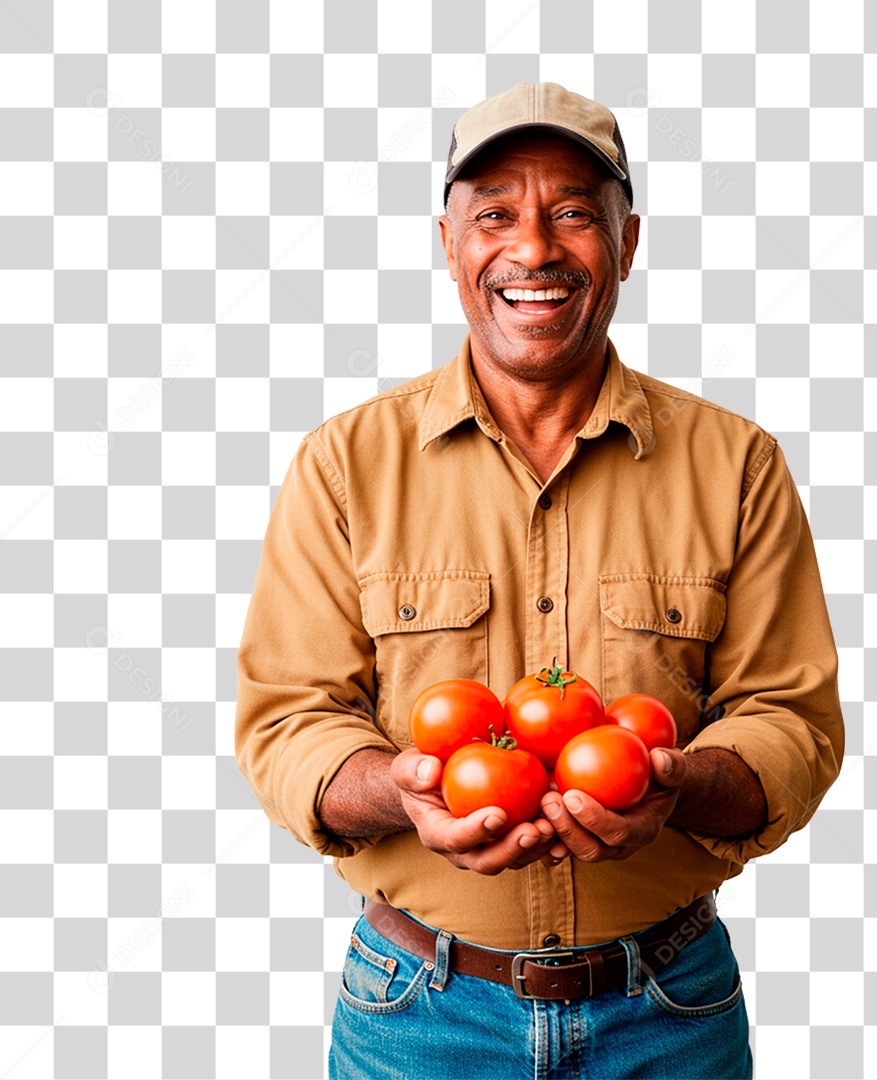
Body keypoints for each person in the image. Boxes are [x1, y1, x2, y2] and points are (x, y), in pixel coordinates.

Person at [235, 81, 844, 1080]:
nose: (534, 249)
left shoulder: (736, 463)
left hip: (670, 1013)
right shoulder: (345, 464)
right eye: (496, 215)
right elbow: (288, 724)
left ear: (628, 241)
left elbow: (792, 722)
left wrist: (676, 782)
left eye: (572, 212)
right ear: (450, 243)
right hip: (416, 1017)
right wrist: (402, 788)